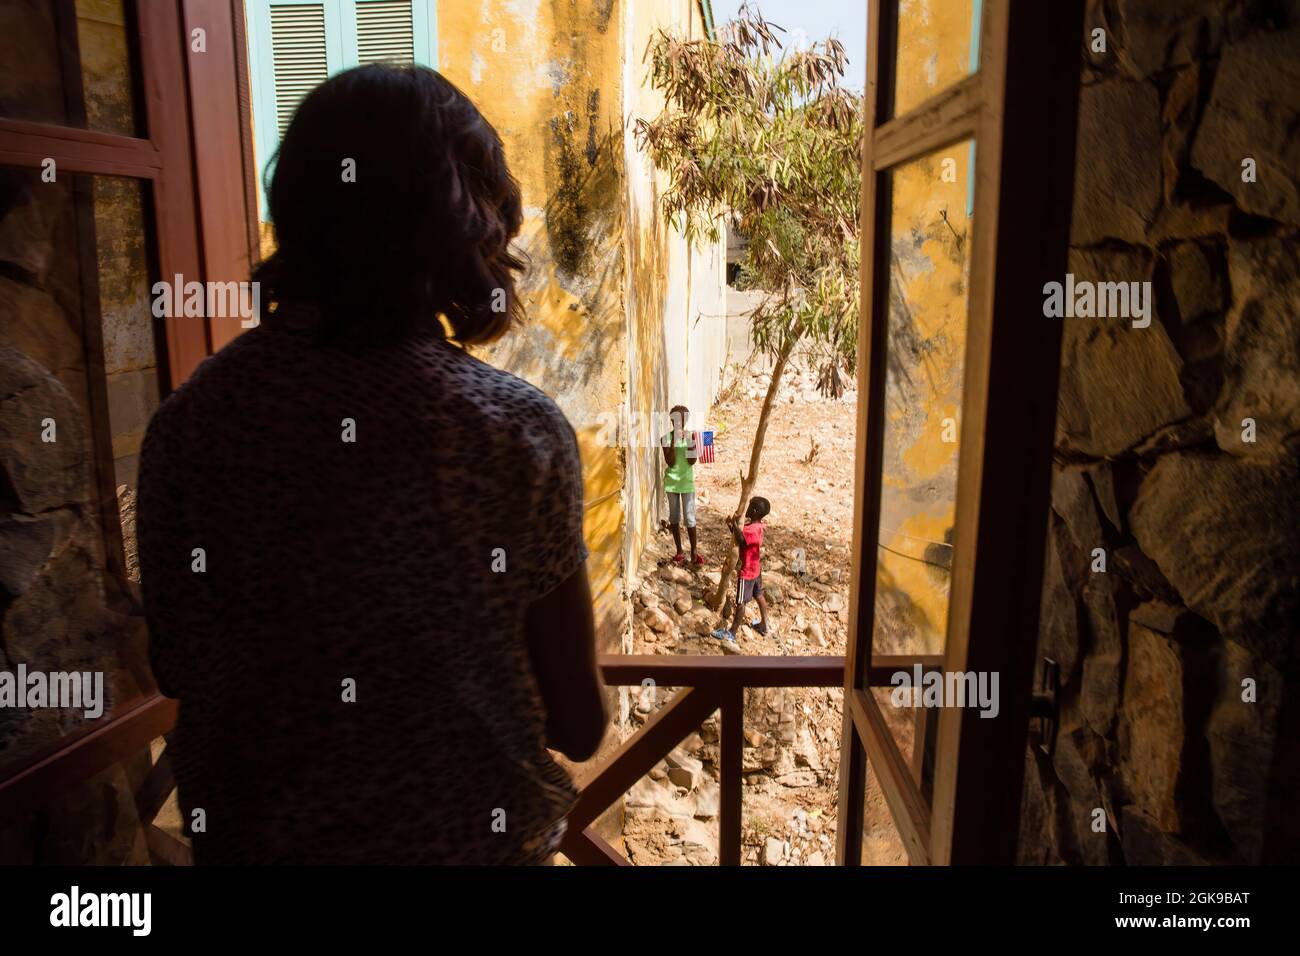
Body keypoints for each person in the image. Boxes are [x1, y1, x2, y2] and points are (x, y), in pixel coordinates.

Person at [136, 65, 607, 865]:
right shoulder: (512, 434)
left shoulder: (191, 424)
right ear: (461, 224)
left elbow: (179, 662)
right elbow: (579, 725)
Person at [714, 497, 771, 642]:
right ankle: (765, 624)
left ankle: (731, 633)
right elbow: (741, 537)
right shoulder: (757, 526)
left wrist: (734, 522)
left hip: (747, 571)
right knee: (759, 595)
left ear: (755, 511)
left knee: (741, 602)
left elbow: (740, 540)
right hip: (756, 567)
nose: (747, 509)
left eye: (750, 506)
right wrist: (732, 526)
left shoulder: (751, 530)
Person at [661, 404, 703, 565]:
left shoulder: (691, 436)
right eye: (676, 420)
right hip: (671, 483)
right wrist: (675, 440)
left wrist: (689, 441)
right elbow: (670, 462)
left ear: (686, 420)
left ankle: (694, 551)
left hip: (687, 483)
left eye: (683, 419)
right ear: (672, 421)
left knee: (690, 518)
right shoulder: (665, 438)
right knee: (674, 517)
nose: (680, 422)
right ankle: (679, 551)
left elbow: (692, 461)